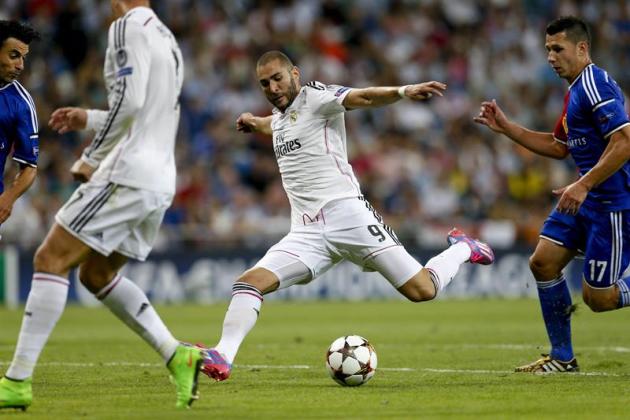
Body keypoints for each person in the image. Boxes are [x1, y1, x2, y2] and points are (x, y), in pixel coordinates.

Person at [197, 50, 495, 382]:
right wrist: (255, 123)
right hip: (306, 232)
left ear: (295, 73)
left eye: (277, 78)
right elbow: (277, 125)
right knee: (248, 283)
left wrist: (403, 91)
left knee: (422, 290)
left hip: (349, 215)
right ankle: (223, 356)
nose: (272, 87)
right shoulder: (280, 118)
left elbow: (363, 96)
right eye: (264, 83)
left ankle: (463, 248)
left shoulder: (317, 97)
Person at [0, 1, 203, 410]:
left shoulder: (125, 27)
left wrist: (92, 155)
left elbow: (129, 104)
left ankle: (16, 381)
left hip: (127, 172)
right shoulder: (166, 37)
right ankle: (177, 354)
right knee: (95, 274)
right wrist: (88, 118)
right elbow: (144, 109)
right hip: (160, 178)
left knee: (50, 258)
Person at [474, 16, 630, 373]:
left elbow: (624, 142)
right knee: (542, 261)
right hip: (585, 200)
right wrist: (508, 128)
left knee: (599, 299)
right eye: (547, 49)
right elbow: (559, 146)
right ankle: (562, 358)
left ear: (582, 48)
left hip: (613, 205)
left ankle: (564, 356)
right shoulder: (575, 90)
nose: (550, 57)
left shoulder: (595, 85)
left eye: (557, 49)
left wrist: (583, 184)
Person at [0, 21, 40, 236]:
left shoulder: (21, 104)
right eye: (14, 55)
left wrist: (8, 198)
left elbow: (29, 166)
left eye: (23, 58)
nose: (21, 65)